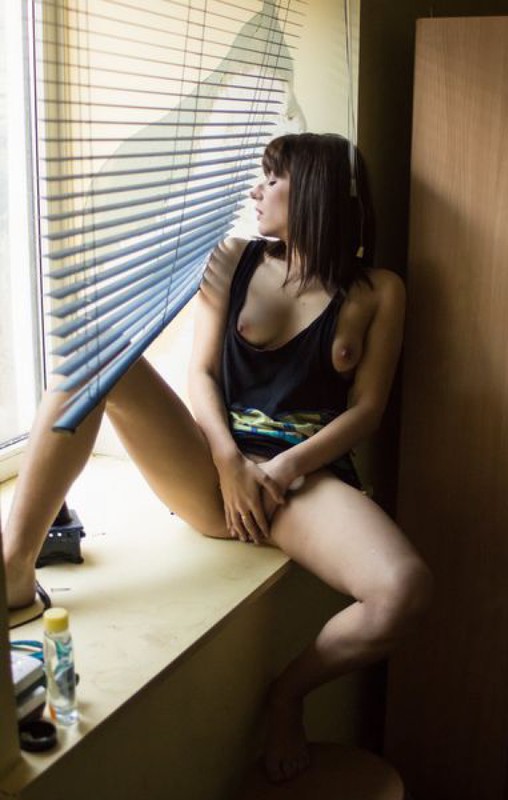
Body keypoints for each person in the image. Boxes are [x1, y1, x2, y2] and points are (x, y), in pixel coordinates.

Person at [3, 132, 432, 783]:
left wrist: (284, 468)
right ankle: (14, 568)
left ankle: (287, 695)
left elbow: (367, 411)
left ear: (314, 190)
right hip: (212, 465)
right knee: (94, 351)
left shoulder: (379, 290)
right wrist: (229, 463)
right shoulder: (231, 259)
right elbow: (200, 373)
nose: (255, 190)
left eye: (272, 178)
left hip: (303, 481)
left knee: (404, 591)